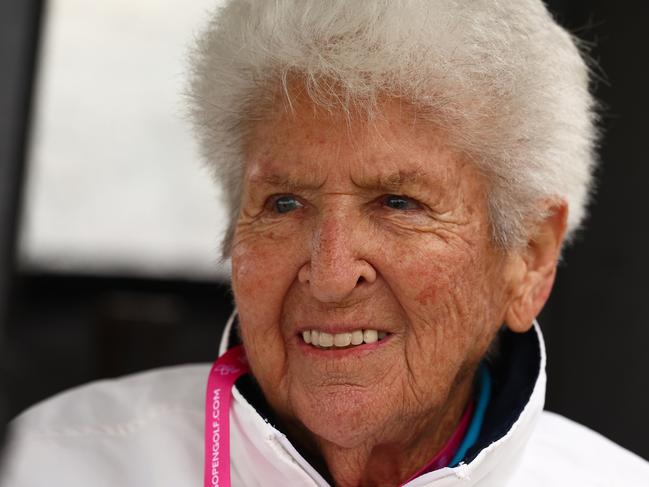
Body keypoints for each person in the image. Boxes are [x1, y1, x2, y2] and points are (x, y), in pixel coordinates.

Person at [2, 1, 649, 486]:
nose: (331, 272)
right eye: (283, 203)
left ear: (528, 258)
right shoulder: (54, 463)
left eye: (399, 202)